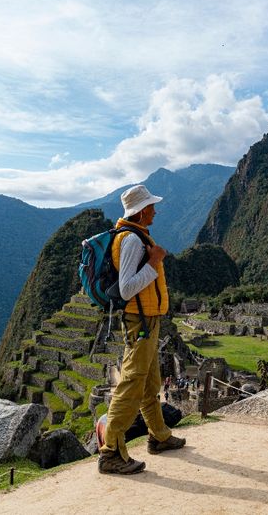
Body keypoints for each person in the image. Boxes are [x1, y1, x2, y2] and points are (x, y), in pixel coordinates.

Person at [98, 185, 186, 475]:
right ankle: (110, 451)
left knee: (150, 382)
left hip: (148, 319)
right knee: (132, 382)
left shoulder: (137, 236)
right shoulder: (131, 241)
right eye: (151, 207)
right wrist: (154, 261)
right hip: (141, 322)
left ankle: (159, 436)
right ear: (141, 211)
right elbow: (126, 289)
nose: (155, 211)